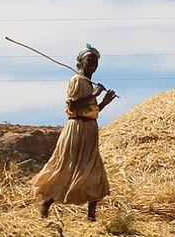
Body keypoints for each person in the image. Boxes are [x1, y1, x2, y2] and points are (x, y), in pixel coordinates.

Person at [34, 45, 116, 220]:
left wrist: (104, 102)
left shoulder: (87, 83)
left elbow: (90, 111)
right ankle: (46, 204)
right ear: (81, 62)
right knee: (67, 168)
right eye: (89, 60)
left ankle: (91, 216)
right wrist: (94, 94)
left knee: (95, 170)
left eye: (95, 61)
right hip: (77, 130)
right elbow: (73, 106)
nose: (93, 63)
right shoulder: (77, 81)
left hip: (90, 130)